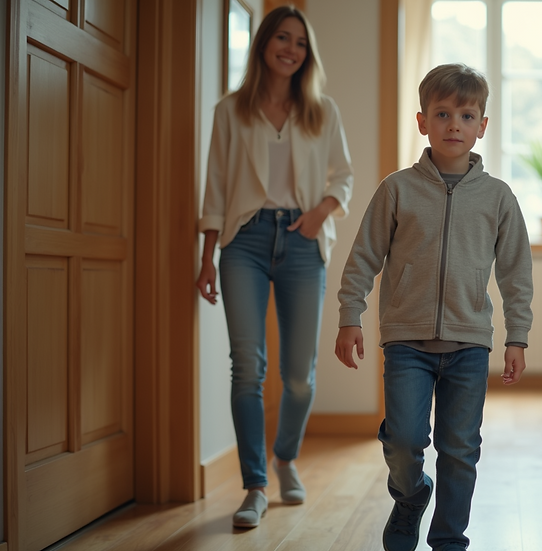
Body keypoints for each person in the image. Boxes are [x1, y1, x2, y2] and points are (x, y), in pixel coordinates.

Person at [334, 63, 533, 551]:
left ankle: (448, 541)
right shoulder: (397, 189)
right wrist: (349, 315)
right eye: (442, 114)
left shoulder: (498, 198)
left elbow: (515, 273)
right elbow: (364, 255)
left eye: (467, 116)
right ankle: (410, 497)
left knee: (460, 450)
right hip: (406, 342)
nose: (454, 125)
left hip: (468, 343)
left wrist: (517, 336)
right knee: (404, 441)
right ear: (422, 120)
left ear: (482, 126)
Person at [195, 5, 354, 528]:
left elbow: (344, 177)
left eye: (300, 43)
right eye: (282, 38)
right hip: (243, 240)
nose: (291, 49)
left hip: (303, 240)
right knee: (248, 366)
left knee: (300, 377)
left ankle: (286, 456)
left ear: (307, 55)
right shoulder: (230, 111)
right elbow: (216, 187)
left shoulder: (321, 110)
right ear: (264, 43)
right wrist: (207, 260)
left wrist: (318, 216)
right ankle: (256, 483)